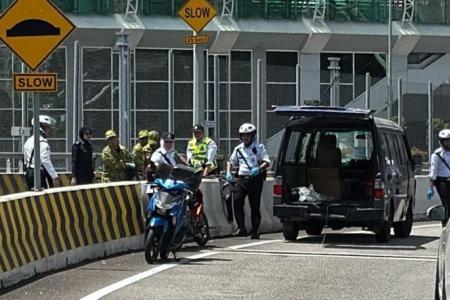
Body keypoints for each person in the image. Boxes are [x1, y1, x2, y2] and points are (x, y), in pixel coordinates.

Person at [226, 123, 270, 239]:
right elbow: (230, 161)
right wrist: (229, 172)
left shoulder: (259, 148)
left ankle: (255, 231)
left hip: (255, 179)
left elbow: (266, 162)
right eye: (243, 136)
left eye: (247, 135)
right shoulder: (238, 149)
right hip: (241, 179)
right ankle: (241, 228)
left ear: (252, 136)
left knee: (254, 205)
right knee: (237, 201)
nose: (245, 138)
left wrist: (258, 169)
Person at [23, 115, 61, 190]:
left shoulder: (29, 140)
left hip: (29, 173)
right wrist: (54, 176)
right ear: (43, 128)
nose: (50, 130)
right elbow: (45, 160)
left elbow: (25, 158)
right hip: (39, 174)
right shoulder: (43, 143)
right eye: (48, 127)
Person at [428, 129, 450, 226]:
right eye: (445, 141)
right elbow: (433, 171)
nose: (447, 143)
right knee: (446, 204)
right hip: (443, 183)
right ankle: (445, 226)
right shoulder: (436, 154)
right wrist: (430, 187)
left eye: (449, 140)